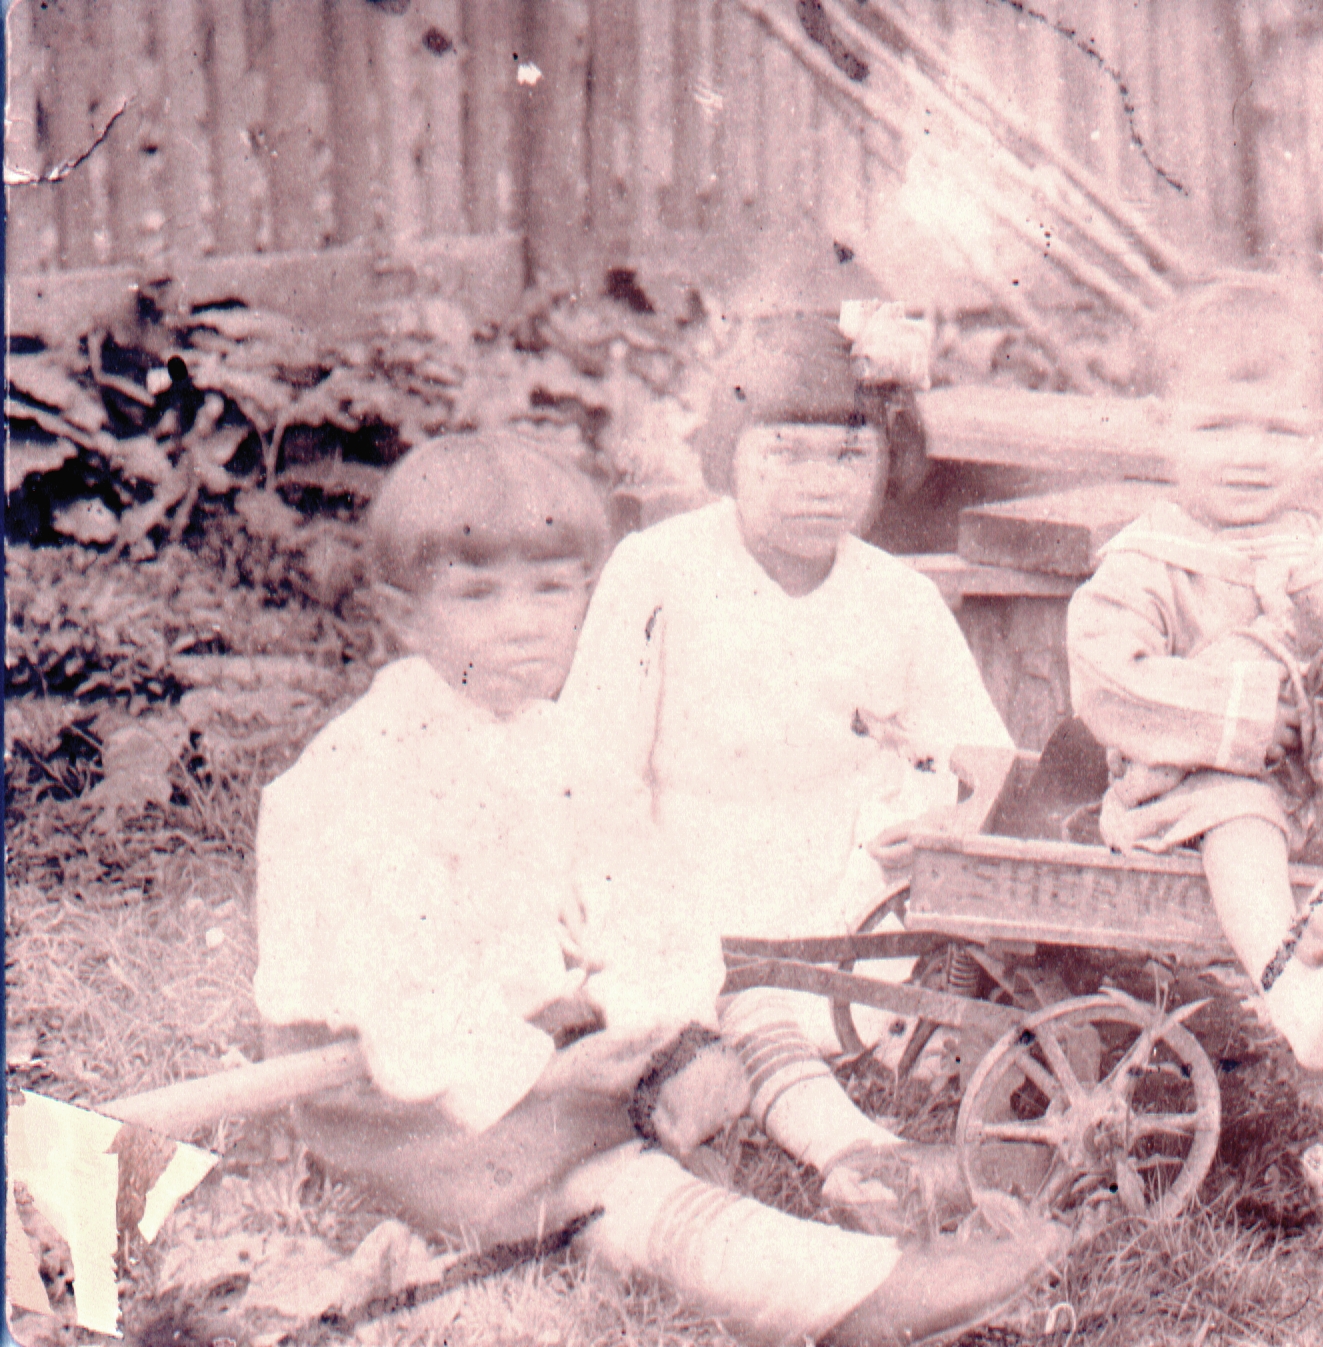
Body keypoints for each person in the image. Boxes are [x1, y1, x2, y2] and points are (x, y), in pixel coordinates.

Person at [253, 432, 1057, 1347]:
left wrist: (649, 1014)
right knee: (602, 1173)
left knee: (739, 1004)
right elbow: (400, 988)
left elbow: (639, 887)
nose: (522, 623)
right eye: (477, 595)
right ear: (405, 617)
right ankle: (837, 1291)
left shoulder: (547, 740)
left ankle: (855, 1158)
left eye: (551, 590)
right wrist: (543, 1072)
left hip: (529, 1022)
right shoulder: (367, 771)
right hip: (403, 1086)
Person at [558, 311, 1037, 1230]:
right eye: (784, 454)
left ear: (885, 468)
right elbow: (595, 765)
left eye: (848, 459)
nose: (818, 487)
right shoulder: (658, 570)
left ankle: (849, 1082)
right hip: (683, 854)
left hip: (836, 868)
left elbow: (981, 758)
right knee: (696, 984)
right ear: (728, 455)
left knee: (906, 960)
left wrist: (951, 820)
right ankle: (848, 1148)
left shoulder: (895, 597)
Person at [1065, 276, 1323, 1094]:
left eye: (1282, 430)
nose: (1250, 454)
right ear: (1160, 424)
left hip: (1320, 793)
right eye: (1217, 428)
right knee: (1238, 807)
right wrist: (1237, 715)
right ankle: (1290, 982)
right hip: (1195, 798)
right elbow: (1109, 680)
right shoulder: (1148, 560)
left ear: (1318, 437)